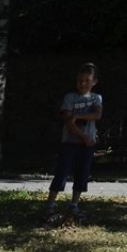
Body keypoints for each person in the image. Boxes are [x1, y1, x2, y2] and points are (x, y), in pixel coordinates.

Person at [44, 63, 102, 226]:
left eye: (86, 80)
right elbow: (69, 122)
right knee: (62, 173)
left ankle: (74, 205)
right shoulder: (70, 97)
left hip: (87, 146)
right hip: (70, 142)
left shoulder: (96, 98)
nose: (82, 83)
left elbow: (97, 115)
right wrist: (84, 136)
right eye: (79, 80)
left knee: (82, 175)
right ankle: (50, 205)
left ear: (94, 81)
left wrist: (79, 116)